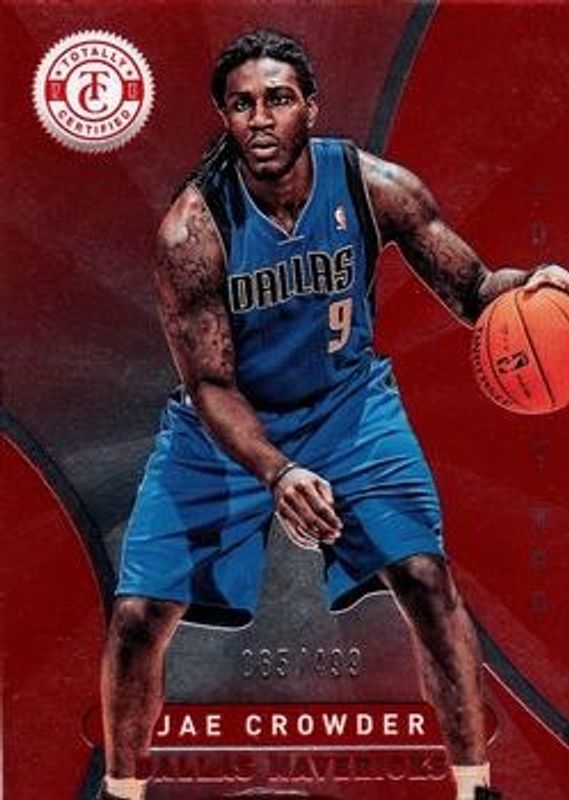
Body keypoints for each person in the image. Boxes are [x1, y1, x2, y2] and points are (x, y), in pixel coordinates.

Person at [99, 29, 569, 800]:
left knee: (424, 577)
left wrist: (531, 289)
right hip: (225, 430)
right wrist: (278, 472)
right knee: (138, 617)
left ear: (310, 108)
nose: (260, 119)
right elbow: (210, 384)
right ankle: (120, 791)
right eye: (242, 104)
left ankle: (475, 788)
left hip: (348, 411)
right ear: (224, 116)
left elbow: (473, 289)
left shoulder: (372, 186)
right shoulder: (192, 230)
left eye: (277, 99)